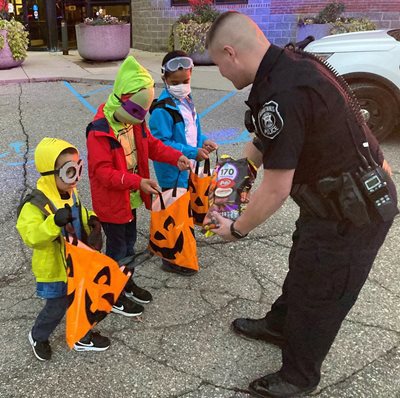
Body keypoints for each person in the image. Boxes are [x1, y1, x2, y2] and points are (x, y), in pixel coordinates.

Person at [205, 11, 398, 397]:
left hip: (354, 211)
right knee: (305, 265)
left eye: (219, 65)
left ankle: (299, 376)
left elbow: (276, 189)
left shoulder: (284, 92)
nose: (222, 74)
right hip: (328, 202)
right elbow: (267, 136)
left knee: (321, 293)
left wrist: (236, 229)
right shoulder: (286, 66)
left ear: (231, 53)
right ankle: (280, 325)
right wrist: (242, 169)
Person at [86, 56, 191, 314]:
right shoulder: (99, 130)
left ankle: (126, 282)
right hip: (113, 202)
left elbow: (151, 145)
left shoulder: (135, 121)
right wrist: (137, 181)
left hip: (130, 198)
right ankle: (113, 293)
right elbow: (103, 173)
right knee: (117, 248)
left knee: (129, 244)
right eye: (135, 113)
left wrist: (175, 156)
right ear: (123, 99)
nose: (138, 120)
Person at [16, 137, 110, 361]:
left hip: (77, 263)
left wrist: (90, 219)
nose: (76, 179)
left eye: (78, 169)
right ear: (50, 173)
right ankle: (38, 335)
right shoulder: (35, 204)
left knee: (80, 300)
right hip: (56, 269)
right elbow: (32, 237)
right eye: (69, 172)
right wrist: (53, 223)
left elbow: (79, 211)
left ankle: (81, 335)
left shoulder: (70, 191)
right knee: (56, 307)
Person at [148, 50, 217, 276]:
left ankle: (183, 241)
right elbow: (161, 144)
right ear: (165, 79)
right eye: (175, 82)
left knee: (182, 209)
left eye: (185, 81)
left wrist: (203, 142)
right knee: (174, 211)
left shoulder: (187, 101)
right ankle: (171, 257)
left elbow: (191, 131)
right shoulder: (161, 110)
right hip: (172, 170)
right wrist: (191, 151)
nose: (181, 85)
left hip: (188, 167)